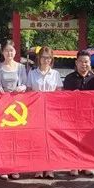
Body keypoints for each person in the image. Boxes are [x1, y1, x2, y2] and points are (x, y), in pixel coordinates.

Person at [0, 39, 27, 179]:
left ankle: (15, 167)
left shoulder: (21, 67)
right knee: (3, 137)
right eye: (6, 50)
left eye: (11, 50)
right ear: (3, 52)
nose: (9, 53)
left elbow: (25, 84)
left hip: (17, 106)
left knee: (16, 137)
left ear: (15, 52)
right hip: (3, 106)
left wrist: (21, 87)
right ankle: (3, 167)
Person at [27, 46, 63, 178]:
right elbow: (28, 91)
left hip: (51, 111)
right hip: (36, 111)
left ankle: (49, 168)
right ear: (39, 58)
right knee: (38, 139)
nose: (45, 60)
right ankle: (38, 167)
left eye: (48, 58)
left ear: (51, 59)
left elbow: (59, 91)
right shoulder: (32, 73)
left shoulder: (55, 74)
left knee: (51, 139)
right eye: (43, 57)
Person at [63, 49, 94, 177]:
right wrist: (72, 96)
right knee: (73, 140)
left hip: (89, 116)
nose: (84, 64)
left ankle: (86, 164)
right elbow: (64, 97)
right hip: (73, 115)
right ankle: (74, 164)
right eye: (81, 62)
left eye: (86, 62)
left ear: (90, 63)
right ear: (76, 62)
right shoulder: (69, 78)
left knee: (88, 140)